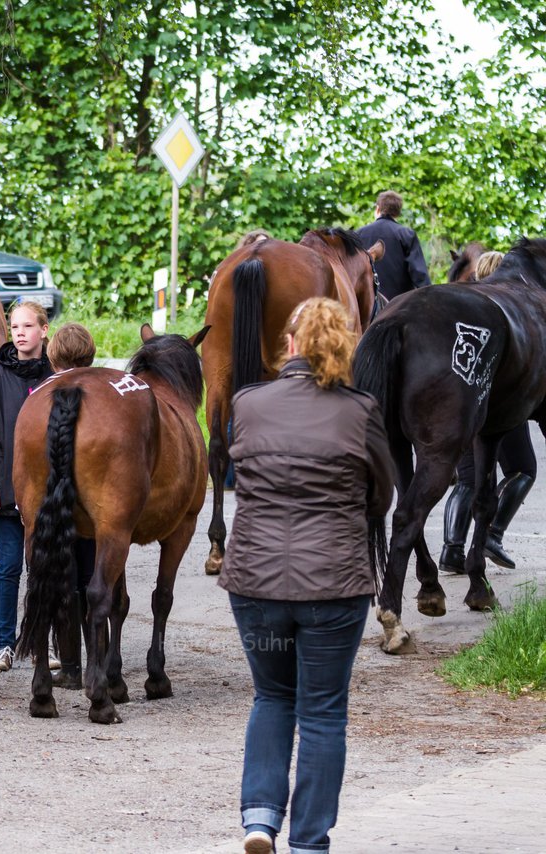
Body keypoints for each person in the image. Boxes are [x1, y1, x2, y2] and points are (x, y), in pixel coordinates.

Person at [220, 297, 393, 854]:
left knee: (272, 696)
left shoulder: (248, 404)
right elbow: (381, 496)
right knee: (322, 711)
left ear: (289, 343)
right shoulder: (361, 410)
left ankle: (260, 818)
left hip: (256, 584)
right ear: (345, 345)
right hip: (332, 587)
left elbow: (238, 474)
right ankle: (310, 841)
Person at [0, 300, 53, 673]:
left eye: (27, 326)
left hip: (47, 495)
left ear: (44, 330)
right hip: (5, 487)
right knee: (8, 569)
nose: (19, 333)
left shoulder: (56, 375)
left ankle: (40, 643)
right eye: (14, 326)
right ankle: (4, 645)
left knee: (43, 569)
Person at [440, 250, 536, 573]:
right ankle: (493, 535)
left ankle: (451, 550)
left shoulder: (460, 307)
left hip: (463, 403)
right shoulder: (510, 311)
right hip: (503, 404)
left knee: (467, 480)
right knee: (523, 469)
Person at [42, 322, 97, 690]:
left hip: (55, 501)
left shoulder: (44, 394)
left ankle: (71, 667)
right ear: (90, 355)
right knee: (96, 579)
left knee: (65, 580)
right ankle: (103, 664)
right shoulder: (104, 395)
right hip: (95, 509)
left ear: (53, 355)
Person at [355, 190, 431, 300]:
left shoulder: (359, 234)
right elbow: (420, 276)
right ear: (398, 213)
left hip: (367, 307)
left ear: (377, 209)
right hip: (399, 307)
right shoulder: (406, 235)